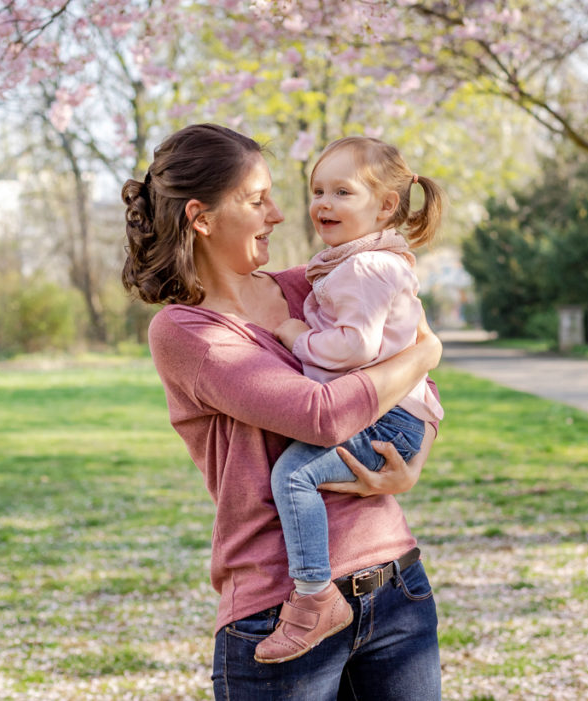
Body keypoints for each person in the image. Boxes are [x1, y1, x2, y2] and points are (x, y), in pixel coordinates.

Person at [122, 123, 442, 700]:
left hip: (394, 589)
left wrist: (413, 458)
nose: (277, 214)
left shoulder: (307, 287)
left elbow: (407, 357)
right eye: (256, 200)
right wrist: (428, 351)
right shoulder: (188, 332)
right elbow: (321, 415)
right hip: (280, 609)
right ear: (201, 217)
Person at [254, 136, 445, 665]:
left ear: (385, 206)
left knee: (293, 476)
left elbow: (357, 346)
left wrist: (295, 336)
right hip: (395, 416)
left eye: (343, 191)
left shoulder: (363, 269)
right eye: (318, 190)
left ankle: (315, 597)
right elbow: (420, 351)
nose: (324, 203)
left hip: (386, 419)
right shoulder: (365, 263)